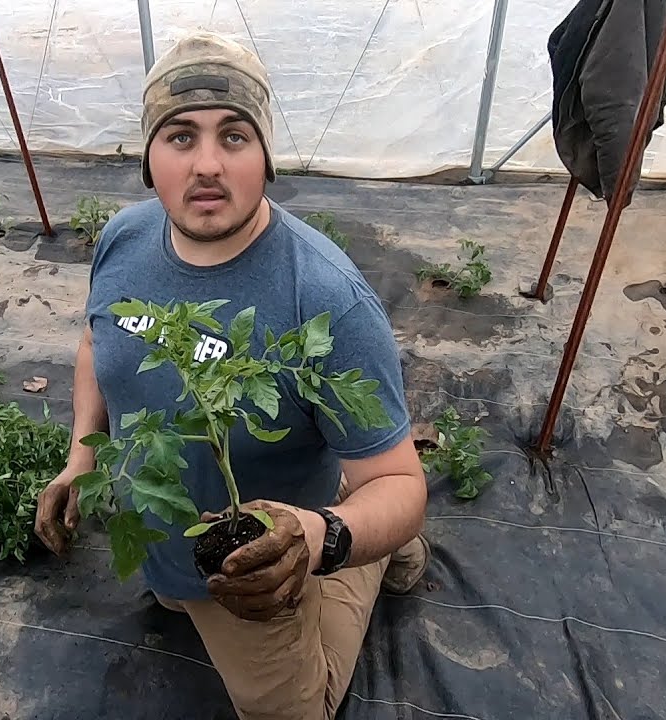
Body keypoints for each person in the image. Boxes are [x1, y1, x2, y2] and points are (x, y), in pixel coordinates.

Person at [35, 31, 429, 720]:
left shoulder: (327, 297)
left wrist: (319, 539)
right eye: (180, 137)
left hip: (260, 559)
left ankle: (360, 554)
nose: (207, 165)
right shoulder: (124, 240)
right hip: (165, 544)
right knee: (171, 599)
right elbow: (100, 343)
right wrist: (78, 459)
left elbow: (400, 481)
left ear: (267, 156)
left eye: (235, 137)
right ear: (148, 157)